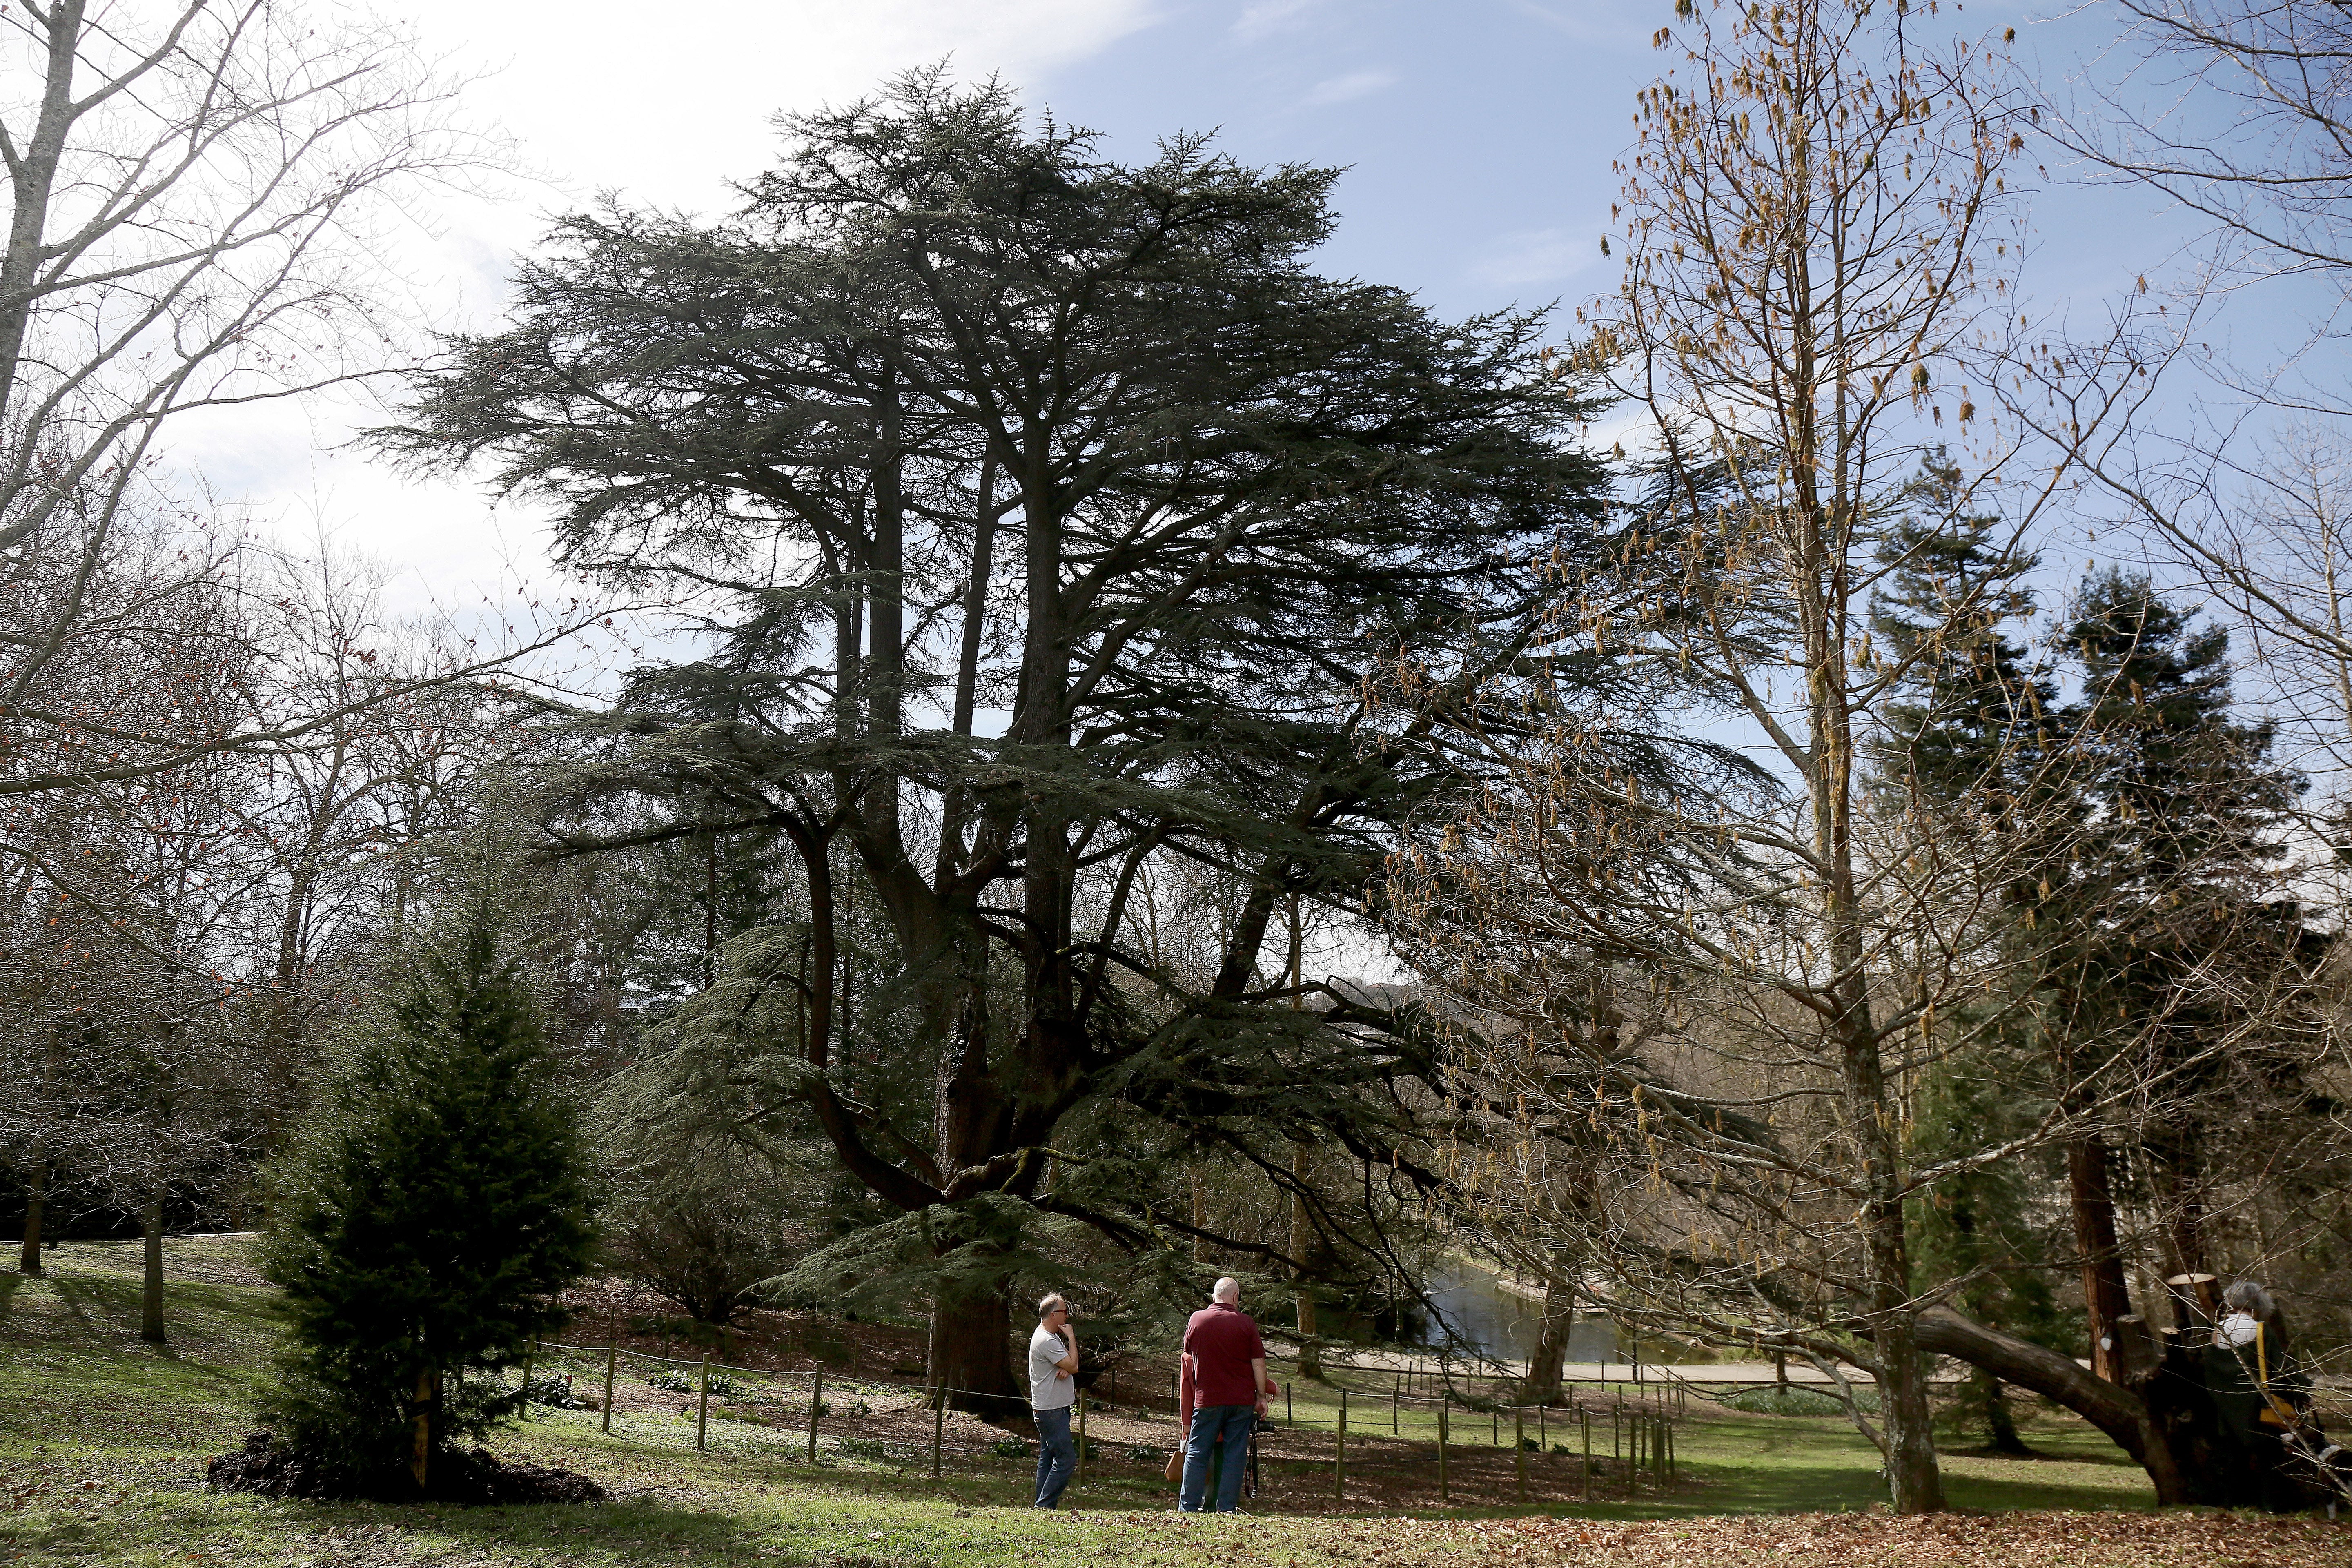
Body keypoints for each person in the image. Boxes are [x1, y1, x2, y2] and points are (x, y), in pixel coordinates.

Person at [1179, 1277, 1267, 1513]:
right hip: (1240, 1401)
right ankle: (1227, 1508)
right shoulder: (1247, 1323)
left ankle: (1188, 1506)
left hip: (1207, 1399)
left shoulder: (1197, 1319)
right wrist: (1261, 1397)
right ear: (1236, 1297)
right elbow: (1258, 1363)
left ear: (1214, 1296)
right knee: (1234, 1455)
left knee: (1197, 1453)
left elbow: (1188, 1354)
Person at [1029, 1293, 1080, 1509]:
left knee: (1048, 1457)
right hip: (1051, 1411)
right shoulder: (1047, 1340)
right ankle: (1044, 1505)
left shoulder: (1048, 1335)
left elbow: (1067, 1364)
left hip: (1052, 1408)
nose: (1067, 1316)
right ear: (1053, 1315)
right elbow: (1074, 1366)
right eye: (1064, 1312)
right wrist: (1071, 1337)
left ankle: (1042, 1507)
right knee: (1066, 1460)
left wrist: (1065, 1367)